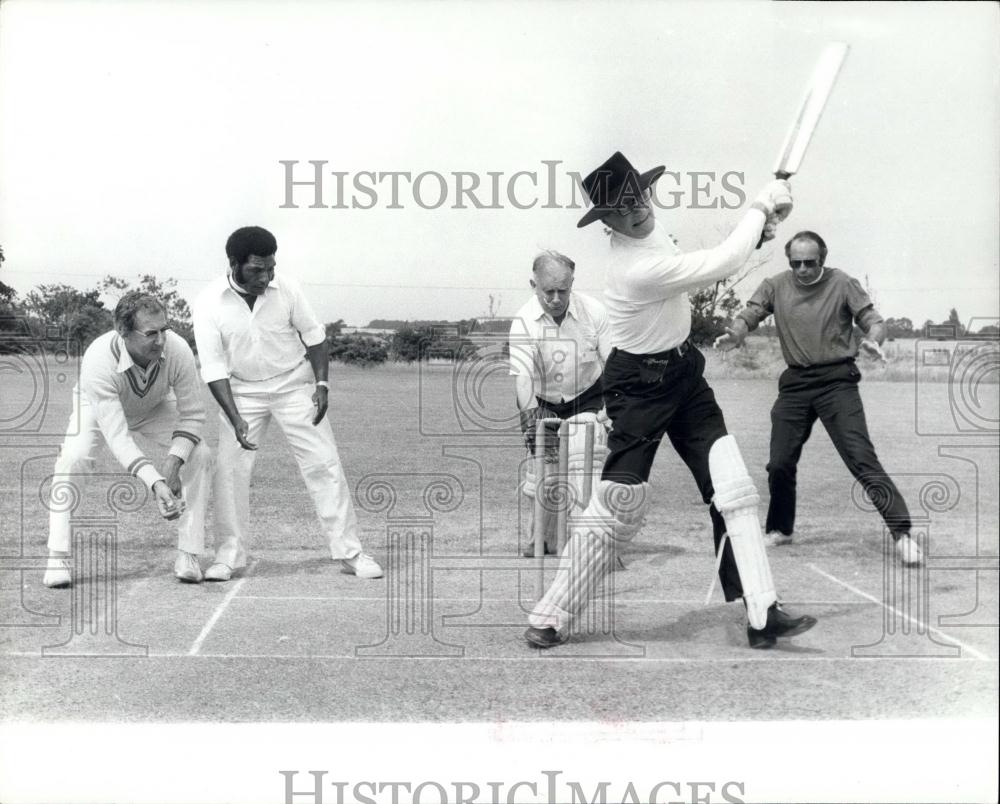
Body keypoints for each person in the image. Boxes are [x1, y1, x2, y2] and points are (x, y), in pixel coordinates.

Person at [524, 151, 818, 650]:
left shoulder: (651, 232)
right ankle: (549, 616)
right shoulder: (632, 266)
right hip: (638, 386)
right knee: (619, 503)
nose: (636, 210)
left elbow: (724, 257)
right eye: (621, 207)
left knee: (733, 488)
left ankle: (763, 612)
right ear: (606, 222)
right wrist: (760, 207)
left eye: (638, 196)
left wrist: (760, 230)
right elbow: (720, 262)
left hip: (683, 374)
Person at [715, 230, 923, 566]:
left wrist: (873, 339)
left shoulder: (842, 283)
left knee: (861, 458)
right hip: (796, 383)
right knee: (779, 462)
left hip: (837, 381)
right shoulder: (775, 285)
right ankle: (781, 530)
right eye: (795, 263)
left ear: (822, 261)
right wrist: (736, 333)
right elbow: (750, 314)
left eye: (809, 263)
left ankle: (902, 535)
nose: (802, 270)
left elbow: (873, 320)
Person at [192, 226, 382, 582]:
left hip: (294, 385)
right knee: (230, 472)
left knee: (324, 464)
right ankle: (229, 556)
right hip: (242, 393)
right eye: (256, 270)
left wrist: (322, 383)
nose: (265, 278)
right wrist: (234, 418)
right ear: (233, 263)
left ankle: (350, 553)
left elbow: (314, 336)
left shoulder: (289, 289)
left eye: (271, 269)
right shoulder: (207, 303)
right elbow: (213, 367)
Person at [43, 292, 211, 587]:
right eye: (151, 333)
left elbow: (194, 414)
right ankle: (57, 555)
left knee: (201, 454)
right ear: (123, 332)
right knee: (74, 457)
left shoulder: (178, 349)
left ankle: (189, 553)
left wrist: (173, 464)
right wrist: (157, 482)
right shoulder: (98, 358)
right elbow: (118, 438)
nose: (161, 340)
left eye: (164, 330)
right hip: (96, 408)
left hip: (155, 405)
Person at [508, 250, 611, 556]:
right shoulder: (524, 321)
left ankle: (588, 541)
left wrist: (614, 406)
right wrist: (530, 418)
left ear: (572, 284)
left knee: (587, 468)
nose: (555, 298)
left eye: (562, 291)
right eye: (547, 291)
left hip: (589, 394)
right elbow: (523, 378)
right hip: (544, 401)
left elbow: (615, 362)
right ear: (533, 284)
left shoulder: (594, 311)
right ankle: (543, 537)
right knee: (545, 473)